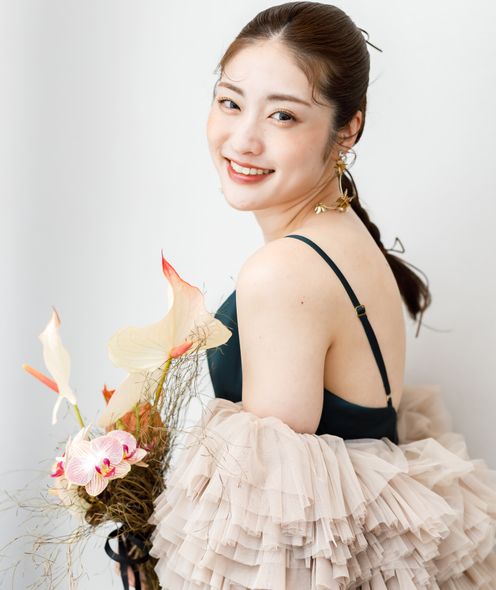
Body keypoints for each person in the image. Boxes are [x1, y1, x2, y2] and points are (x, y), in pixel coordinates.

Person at [146, 2, 496, 588]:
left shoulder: (283, 272)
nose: (243, 139)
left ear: (348, 129)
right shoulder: (343, 233)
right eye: (230, 102)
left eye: (282, 116)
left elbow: (274, 537)